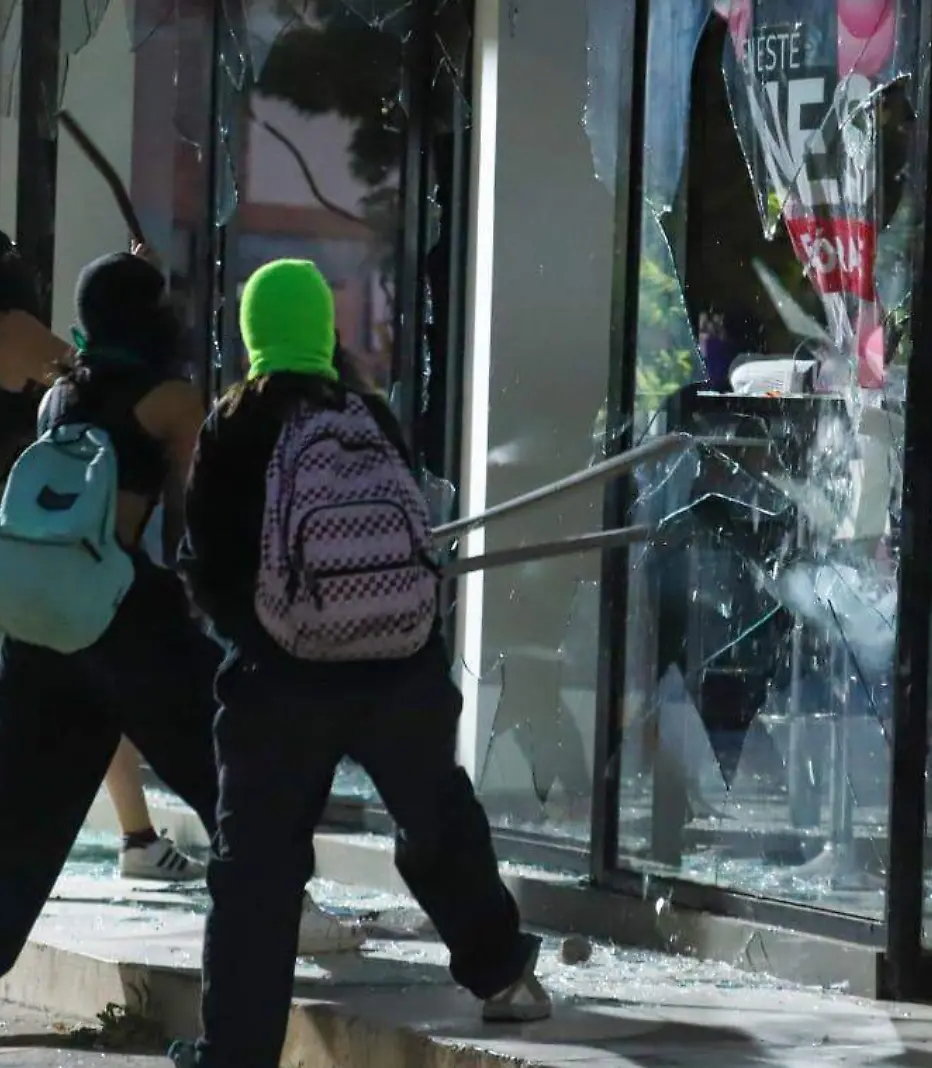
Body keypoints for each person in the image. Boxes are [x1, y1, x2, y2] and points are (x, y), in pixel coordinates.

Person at [0, 250, 363, 1041]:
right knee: (232, 767)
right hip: (125, 616)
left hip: (38, 625)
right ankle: (291, 907)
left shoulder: (57, 394)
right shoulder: (170, 401)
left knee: (20, 807)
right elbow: (201, 519)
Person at [170, 260, 548, 1068]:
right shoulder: (365, 415)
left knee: (257, 867)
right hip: (397, 668)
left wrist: (258, 635)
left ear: (253, 331)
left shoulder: (235, 425)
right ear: (323, 328)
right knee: (437, 815)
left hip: (281, 681)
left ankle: (235, 1051)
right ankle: (504, 978)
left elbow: (203, 562)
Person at [0, 220, 204, 893]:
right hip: (7, 533)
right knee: (93, 672)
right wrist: (139, 283)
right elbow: (93, 365)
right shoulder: (10, 329)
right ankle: (138, 839)